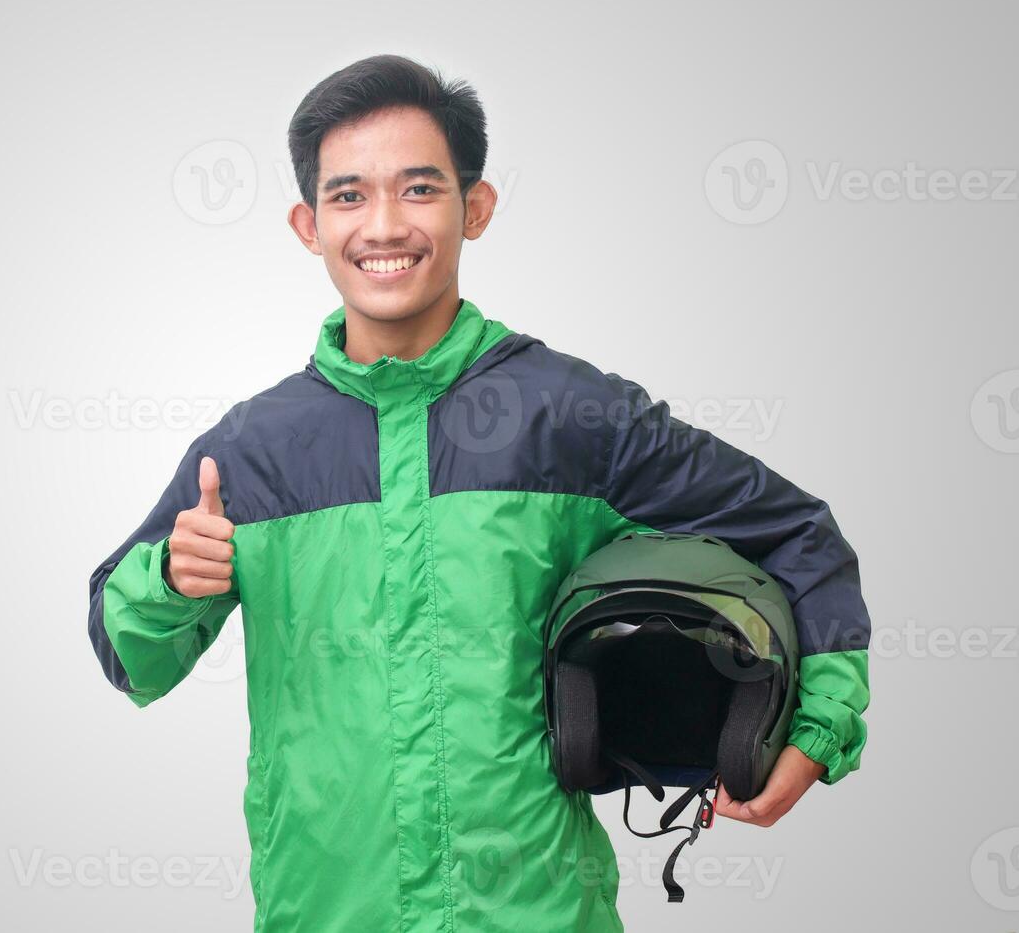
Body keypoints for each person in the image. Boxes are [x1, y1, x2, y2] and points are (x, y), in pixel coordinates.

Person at [87, 54, 871, 932]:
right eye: (349, 196)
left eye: (418, 189)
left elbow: (797, 534)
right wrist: (167, 579)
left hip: (536, 910)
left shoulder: (573, 418)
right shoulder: (252, 452)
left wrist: (817, 733)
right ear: (308, 225)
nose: (383, 224)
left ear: (477, 207)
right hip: (324, 912)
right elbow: (128, 657)